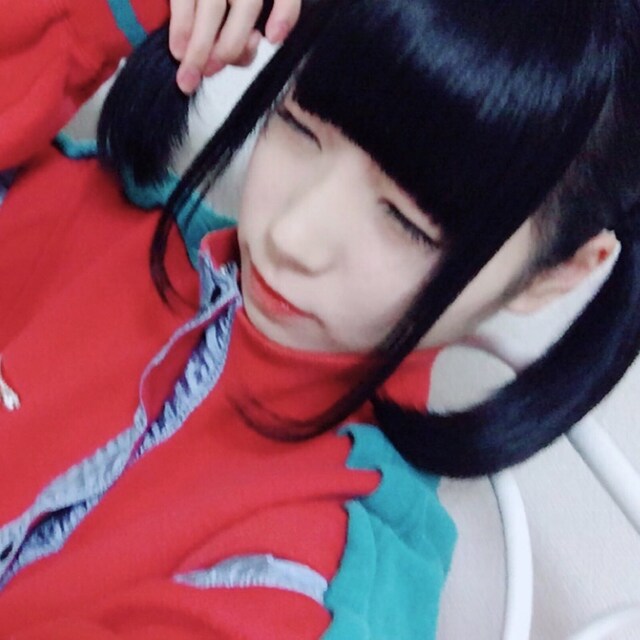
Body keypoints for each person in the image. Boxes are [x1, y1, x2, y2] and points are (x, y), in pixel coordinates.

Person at [0, 0, 638, 637]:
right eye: (299, 127)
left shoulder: (317, 583)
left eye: (405, 223)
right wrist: (110, 14)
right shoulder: (104, 219)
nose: (292, 237)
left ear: (558, 274)